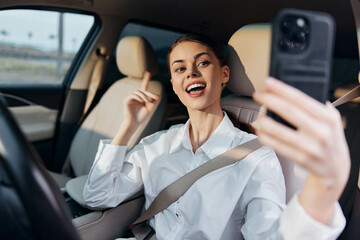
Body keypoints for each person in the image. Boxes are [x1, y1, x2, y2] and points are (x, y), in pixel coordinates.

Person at [83, 34, 350, 239]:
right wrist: (127, 128)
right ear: (175, 86)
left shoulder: (256, 157)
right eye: (179, 69)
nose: (191, 72)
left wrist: (322, 192)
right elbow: (98, 196)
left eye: (203, 62)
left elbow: (269, 234)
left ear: (223, 74)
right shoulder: (155, 145)